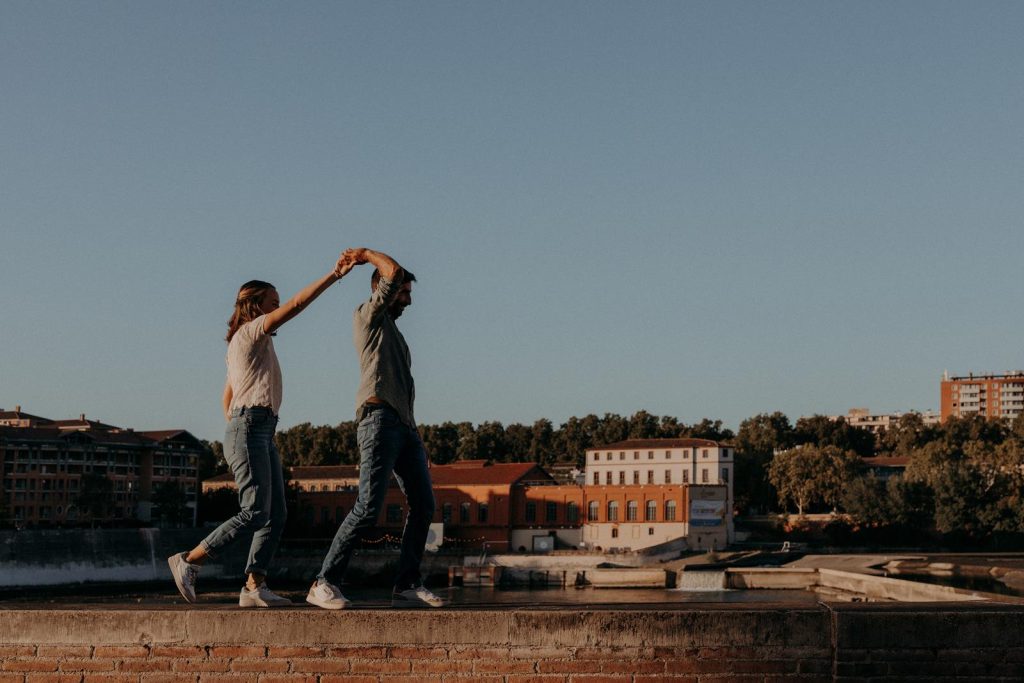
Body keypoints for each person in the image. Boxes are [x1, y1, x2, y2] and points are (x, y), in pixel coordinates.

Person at [168, 252, 356, 607]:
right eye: (272, 303)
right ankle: (189, 561)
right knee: (255, 510)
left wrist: (245, 426)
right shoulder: (252, 332)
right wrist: (335, 275)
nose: (278, 308)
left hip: (256, 428)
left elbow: (226, 397)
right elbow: (300, 304)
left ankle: (254, 586)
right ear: (256, 307)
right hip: (250, 427)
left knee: (276, 513)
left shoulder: (246, 345)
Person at [307, 248, 444, 609]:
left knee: (424, 504)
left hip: (404, 426)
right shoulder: (368, 318)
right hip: (378, 421)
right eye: (405, 293)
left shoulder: (396, 337)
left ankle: (407, 583)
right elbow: (393, 273)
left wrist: (417, 436)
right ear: (383, 290)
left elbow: (404, 391)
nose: (409, 300)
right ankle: (324, 581)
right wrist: (366, 253)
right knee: (368, 506)